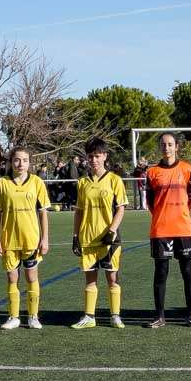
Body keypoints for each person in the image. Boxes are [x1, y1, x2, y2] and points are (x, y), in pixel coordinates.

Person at [70, 137, 129, 329]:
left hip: (109, 239)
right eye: (90, 156)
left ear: (105, 156)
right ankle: (89, 317)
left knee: (112, 278)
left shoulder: (114, 180)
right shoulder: (82, 183)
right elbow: (78, 211)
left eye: (97, 155)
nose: (93, 159)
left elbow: (120, 208)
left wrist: (111, 231)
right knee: (90, 278)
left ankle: (115, 316)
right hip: (88, 239)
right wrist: (75, 236)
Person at [0, 146, 53, 329]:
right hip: (9, 240)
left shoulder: (36, 182)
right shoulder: (2, 183)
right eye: (17, 160)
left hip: (31, 239)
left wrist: (45, 238)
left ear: (29, 162)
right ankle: (14, 317)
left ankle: (33, 316)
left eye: (25, 160)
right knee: (12, 279)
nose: (20, 164)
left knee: (31, 277)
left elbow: (42, 213)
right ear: (11, 162)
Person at [143, 133, 191, 328]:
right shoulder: (151, 172)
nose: (166, 148)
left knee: (188, 271)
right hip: (161, 228)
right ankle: (159, 316)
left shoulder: (187, 169)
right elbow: (150, 202)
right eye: (163, 144)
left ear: (177, 147)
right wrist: (163, 213)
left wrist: (179, 212)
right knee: (161, 272)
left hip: (184, 227)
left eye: (170, 144)